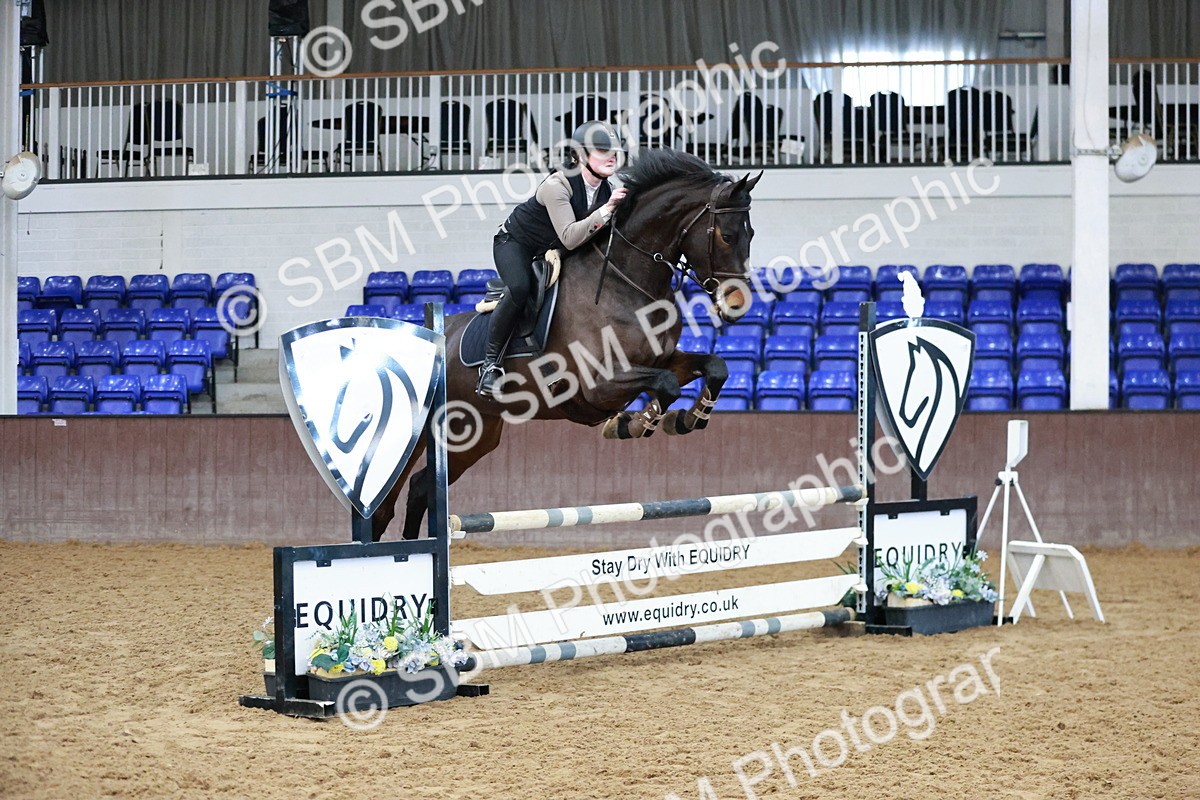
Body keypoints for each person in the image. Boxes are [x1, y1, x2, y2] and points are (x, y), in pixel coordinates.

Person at [476, 121, 629, 397]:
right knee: (521, 287)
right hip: (516, 244)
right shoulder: (558, 184)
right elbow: (571, 236)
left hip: (553, 250)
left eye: (615, 151)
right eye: (602, 150)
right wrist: (607, 211)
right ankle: (490, 366)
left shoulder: (607, 190)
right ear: (580, 155)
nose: (612, 156)